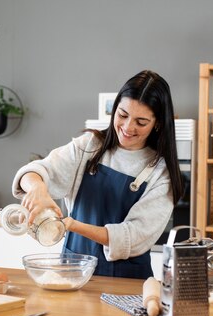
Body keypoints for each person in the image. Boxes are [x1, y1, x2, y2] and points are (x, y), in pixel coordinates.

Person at [12, 70, 184, 279]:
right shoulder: (90, 146)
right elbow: (37, 171)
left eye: (141, 122)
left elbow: (133, 236)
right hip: (73, 271)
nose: (128, 127)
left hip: (126, 281)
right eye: (122, 115)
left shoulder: (161, 173)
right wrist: (38, 188)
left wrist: (73, 225)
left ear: (157, 123)